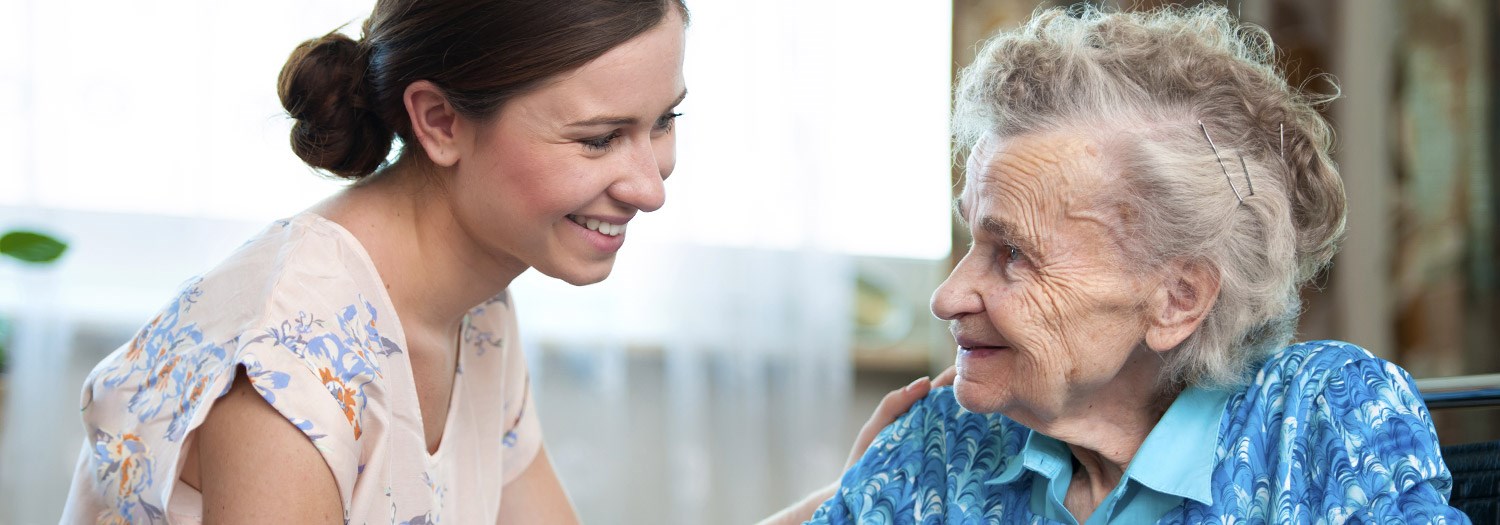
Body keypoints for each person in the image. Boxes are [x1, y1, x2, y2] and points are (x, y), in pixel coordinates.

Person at [808, 4, 1471, 524]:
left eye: (1013, 254)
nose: (948, 297)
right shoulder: (940, 441)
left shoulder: (1321, 416)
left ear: (1177, 298)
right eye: (971, 242)